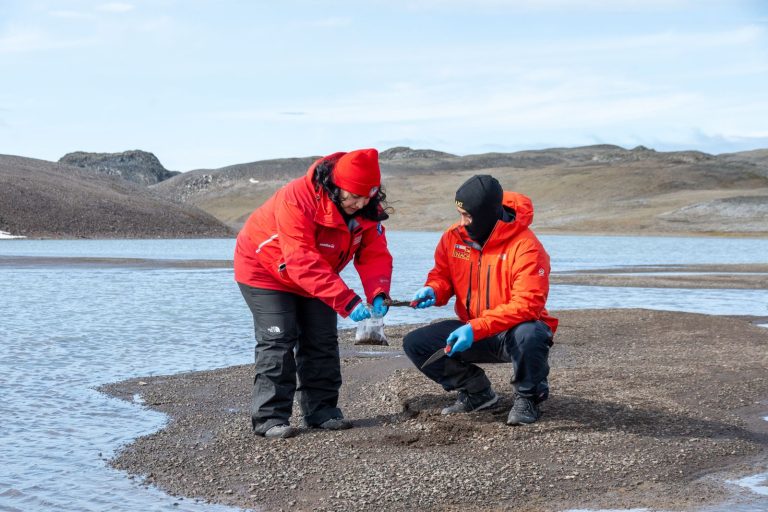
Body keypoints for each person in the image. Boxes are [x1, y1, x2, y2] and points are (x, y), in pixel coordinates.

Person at [234, 148, 393, 439]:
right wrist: (347, 300)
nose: (359, 204)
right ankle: (270, 418)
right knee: (279, 338)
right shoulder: (297, 198)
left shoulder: (366, 209)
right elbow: (301, 260)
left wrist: (379, 292)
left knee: (321, 339)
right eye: (353, 196)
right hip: (265, 270)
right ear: (336, 186)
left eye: (367, 197)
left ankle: (322, 411)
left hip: (318, 273)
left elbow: (374, 254)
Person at [403, 175, 558, 425]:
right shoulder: (454, 237)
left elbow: (528, 305)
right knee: (416, 343)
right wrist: (433, 289)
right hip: (474, 329)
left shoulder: (527, 247)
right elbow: (443, 275)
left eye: (468, 216)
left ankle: (528, 397)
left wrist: (476, 328)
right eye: (460, 214)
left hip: (511, 332)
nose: (462, 222)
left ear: (487, 214)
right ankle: (477, 392)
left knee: (531, 334)